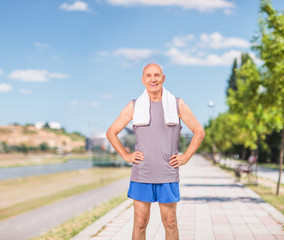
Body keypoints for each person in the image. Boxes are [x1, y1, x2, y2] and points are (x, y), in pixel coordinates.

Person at [106, 63, 205, 240]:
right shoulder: (135, 106)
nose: (153, 79)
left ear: (163, 78)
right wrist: (126, 155)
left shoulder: (177, 104)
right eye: (149, 76)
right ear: (143, 80)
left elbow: (199, 131)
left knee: (170, 222)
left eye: (157, 75)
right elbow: (111, 132)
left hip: (167, 174)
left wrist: (186, 157)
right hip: (142, 174)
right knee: (140, 222)